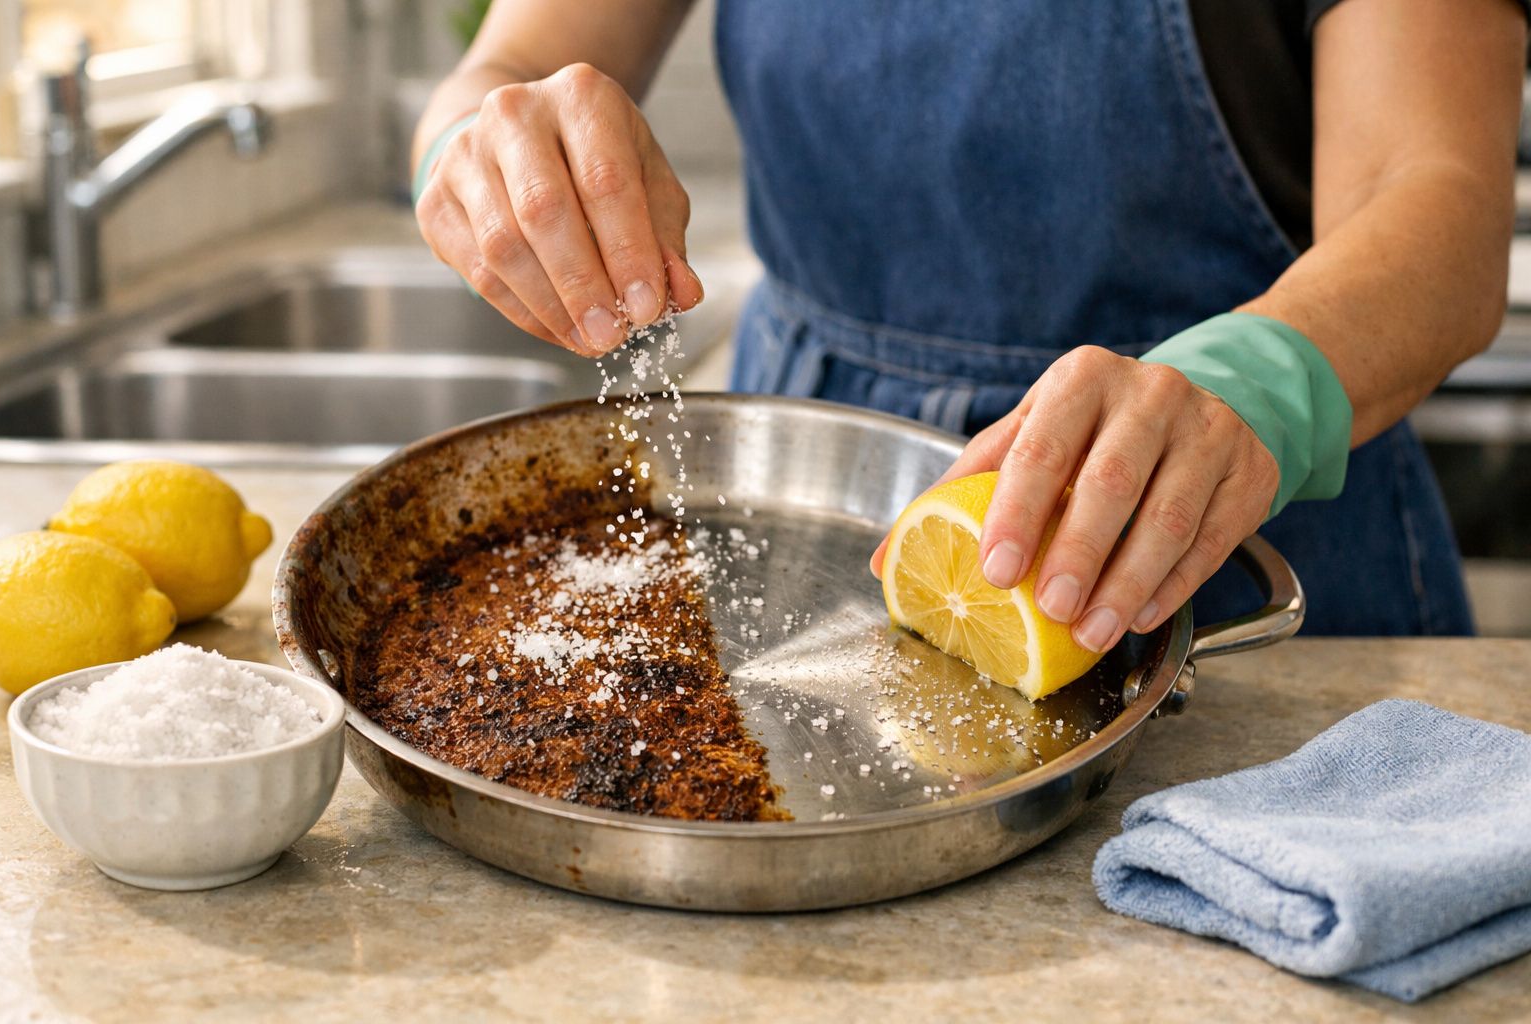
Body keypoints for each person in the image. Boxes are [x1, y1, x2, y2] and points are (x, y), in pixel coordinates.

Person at [411, 0, 1526, 643]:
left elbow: (1435, 203)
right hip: (805, 518)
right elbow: (501, 66)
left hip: (1239, 531)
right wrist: (481, 148)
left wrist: (1247, 388)